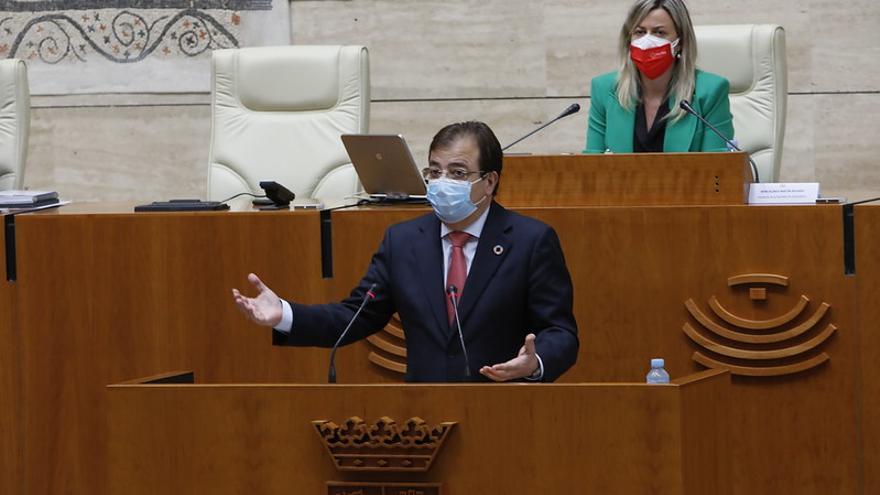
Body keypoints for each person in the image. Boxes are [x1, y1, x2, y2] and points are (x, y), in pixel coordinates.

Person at [232, 121, 579, 383]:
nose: (442, 182)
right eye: (434, 171)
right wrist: (285, 315)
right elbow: (355, 316)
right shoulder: (403, 242)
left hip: (505, 412)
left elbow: (560, 332)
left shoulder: (531, 241)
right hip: (422, 417)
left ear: (489, 182)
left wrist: (535, 364)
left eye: (457, 173)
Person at [584, 0, 734, 153]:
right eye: (640, 32)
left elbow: (719, 169)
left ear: (680, 42)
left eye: (659, 32)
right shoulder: (604, 89)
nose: (647, 41)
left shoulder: (710, 91)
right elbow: (591, 165)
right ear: (629, 39)